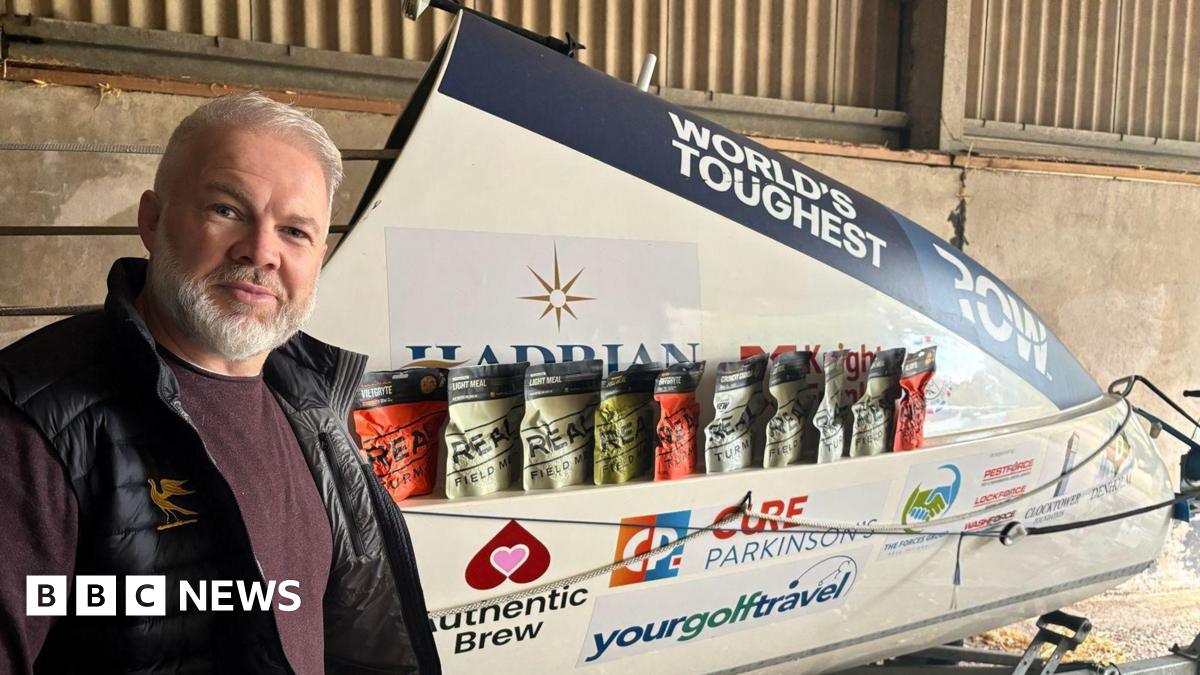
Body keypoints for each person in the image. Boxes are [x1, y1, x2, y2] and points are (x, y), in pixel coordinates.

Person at [0, 93, 441, 674]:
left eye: (295, 231)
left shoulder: (315, 406)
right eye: (227, 210)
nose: (261, 251)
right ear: (152, 221)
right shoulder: (35, 423)